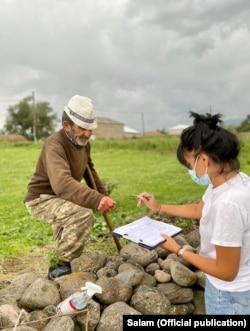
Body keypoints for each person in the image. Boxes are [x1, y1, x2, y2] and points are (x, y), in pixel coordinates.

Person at [137, 111, 250, 315]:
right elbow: (200, 208)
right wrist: (159, 207)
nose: (190, 171)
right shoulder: (232, 180)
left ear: (204, 160)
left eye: (190, 165)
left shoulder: (228, 204)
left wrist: (179, 251)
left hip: (231, 298)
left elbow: (226, 271)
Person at [24, 95, 116, 280]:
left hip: (62, 198)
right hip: (42, 199)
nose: (87, 134)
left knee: (65, 239)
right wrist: (95, 200)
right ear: (67, 125)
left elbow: (89, 170)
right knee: (81, 214)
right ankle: (59, 268)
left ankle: (59, 276)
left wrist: (103, 195)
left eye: (90, 129)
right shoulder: (55, 144)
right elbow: (62, 183)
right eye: (82, 128)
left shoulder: (82, 144)